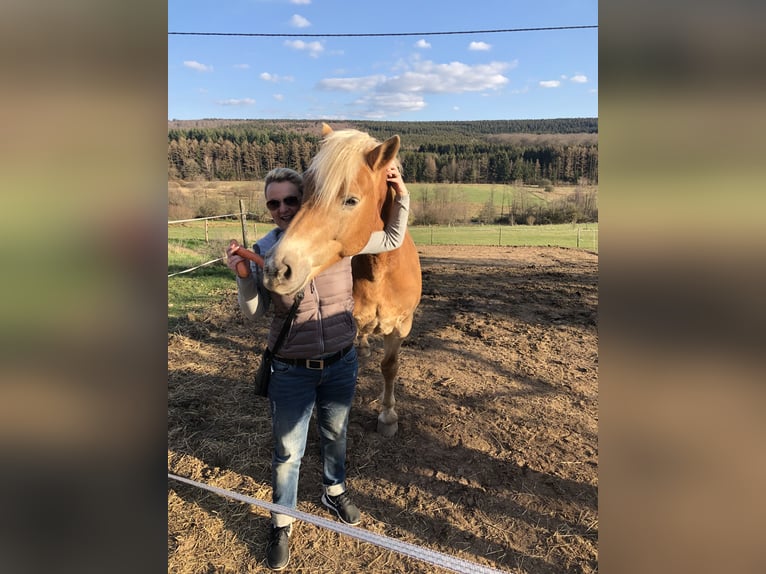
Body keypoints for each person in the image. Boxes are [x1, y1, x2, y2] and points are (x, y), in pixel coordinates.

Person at [226, 165, 410, 570]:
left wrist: (401, 192)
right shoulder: (267, 246)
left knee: (335, 435)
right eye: (274, 203)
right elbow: (253, 313)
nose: (283, 208)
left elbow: (393, 237)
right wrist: (243, 276)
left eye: (291, 199)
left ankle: (334, 489)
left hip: (341, 361)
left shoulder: (339, 240)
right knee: (288, 451)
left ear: (307, 199)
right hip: (291, 368)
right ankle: (281, 520)